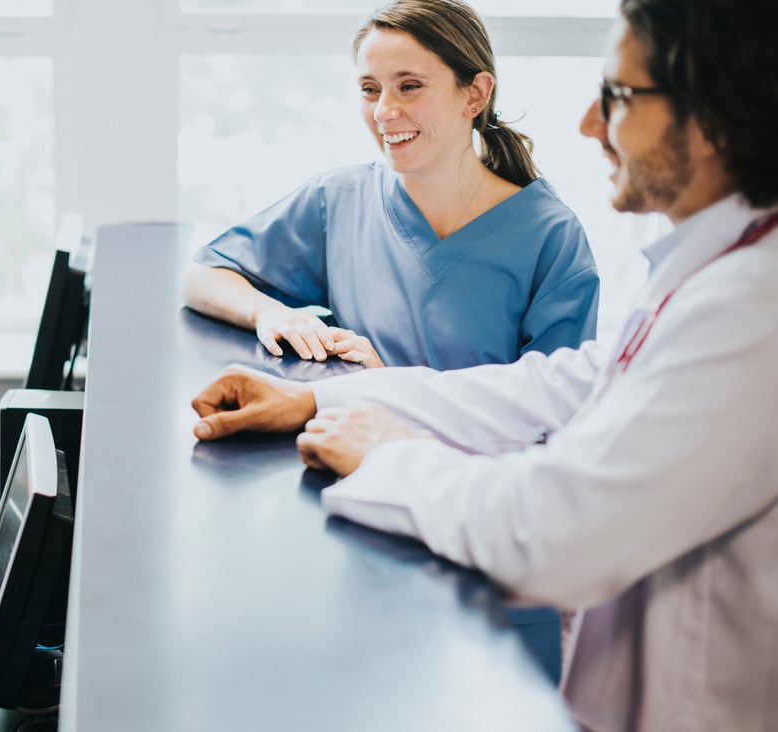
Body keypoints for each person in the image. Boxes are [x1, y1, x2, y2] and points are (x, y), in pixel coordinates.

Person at [191, 0, 778, 727]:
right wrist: (317, 401)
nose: (589, 125)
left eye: (618, 97)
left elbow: (556, 534)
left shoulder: (749, 309)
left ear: (713, 116)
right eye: (370, 88)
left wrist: (389, 453)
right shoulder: (714, 273)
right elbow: (555, 385)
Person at [182, 0, 599, 370]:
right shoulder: (339, 200)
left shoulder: (551, 237)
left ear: (475, 95)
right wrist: (271, 314)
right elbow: (202, 277)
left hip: (473, 460)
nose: (383, 111)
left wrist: (388, 391)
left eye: (409, 87)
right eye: (370, 89)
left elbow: (555, 410)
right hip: (347, 451)